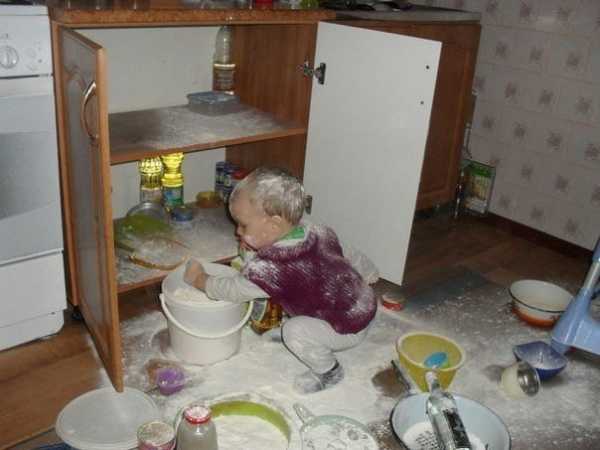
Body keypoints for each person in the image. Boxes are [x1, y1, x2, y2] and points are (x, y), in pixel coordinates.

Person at [184, 167, 378, 394]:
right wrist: (370, 273)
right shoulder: (316, 230)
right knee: (303, 300)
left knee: (294, 331)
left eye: (243, 225)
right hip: (365, 303)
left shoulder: (272, 267)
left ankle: (329, 371)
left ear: (274, 226)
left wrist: (199, 279)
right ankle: (318, 332)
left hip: (346, 328)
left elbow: (233, 290)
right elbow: (350, 253)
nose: (237, 232)